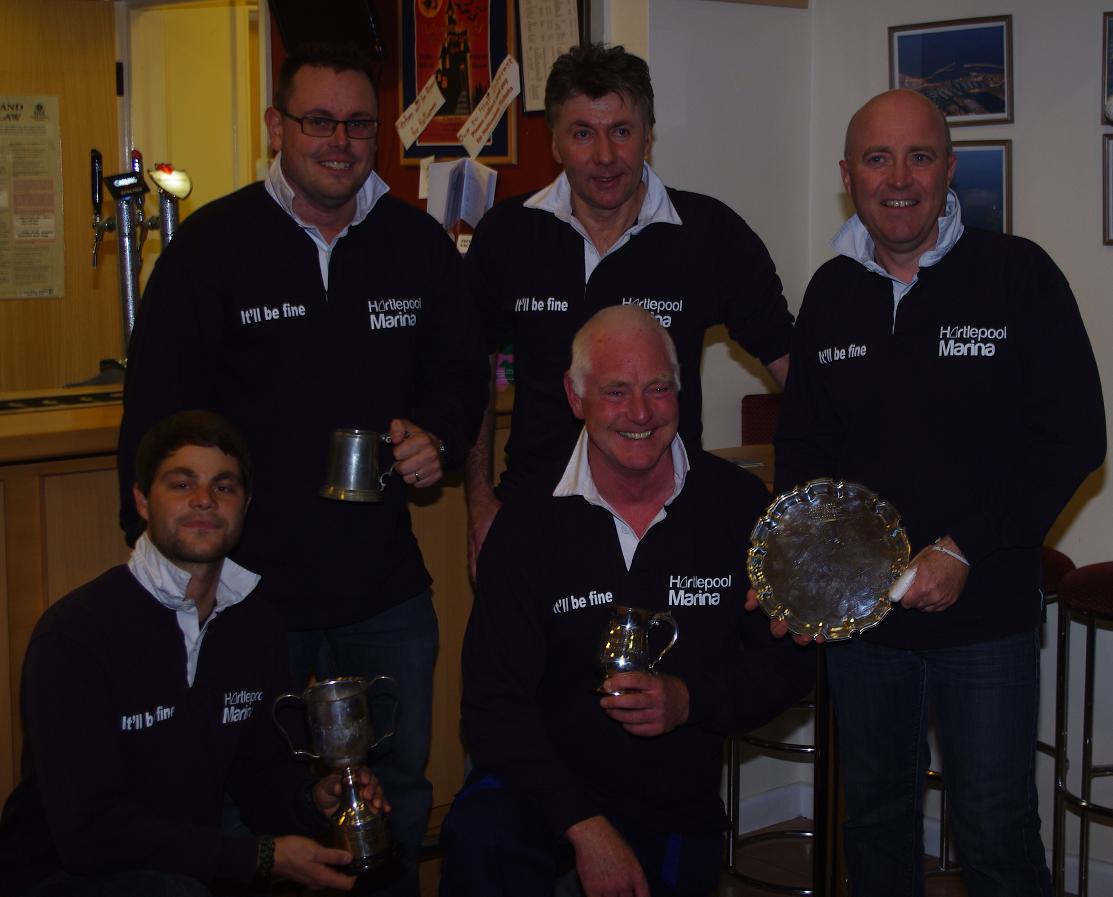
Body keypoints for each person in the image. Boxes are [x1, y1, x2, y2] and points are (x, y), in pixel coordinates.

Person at [115, 43, 489, 897]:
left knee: (395, 792)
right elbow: (154, 419)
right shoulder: (212, 247)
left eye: (357, 124)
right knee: (250, 800)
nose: (339, 141)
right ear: (275, 126)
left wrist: (435, 436)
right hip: (247, 595)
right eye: (319, 121)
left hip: (384, 588)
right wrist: (163, 573)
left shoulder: (415, 245)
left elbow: (461, 375)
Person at [769, 89, 1106, 897]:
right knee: (874, 820)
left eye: (918, 157)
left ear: (949, 169)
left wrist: (962, 547)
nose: (898, 179)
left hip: (984, 613)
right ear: (847, 175)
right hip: (864, 624)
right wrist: (801, 569)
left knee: (993, 828)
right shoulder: (830, 291)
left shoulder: (1016, 275)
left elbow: (1074, 437)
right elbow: (804, 446)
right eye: (877, 159)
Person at [441, 306, 814, 897]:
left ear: (679, 392)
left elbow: (788, 666)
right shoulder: (528, 522)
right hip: (541, 784)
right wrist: (586, 829)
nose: (640, 414)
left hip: (674, 795)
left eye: (658, 389)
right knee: (478, 836)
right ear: (576, 397)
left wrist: (691, 700)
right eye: (616, 392)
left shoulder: (739, 507)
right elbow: (490, 706)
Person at [0, 410, 390, 896]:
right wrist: (259, 858)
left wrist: (316, 800)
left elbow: (260, 776)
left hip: (186, 865)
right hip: (61, 876)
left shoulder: (256, 625)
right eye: (182, 484)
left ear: (245, 506)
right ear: (142, 501)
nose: (205, 499)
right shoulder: (74, 635)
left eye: (224, 486)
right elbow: (90, 836)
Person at [463, 43, 795, 573]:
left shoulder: (709, 235)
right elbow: (467, 371)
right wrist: (480, 504)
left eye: (621, 131)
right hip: (536, 517)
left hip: (671, 521)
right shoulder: (508, 235)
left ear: (648, 135)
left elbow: (793, 367)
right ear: (554, 142)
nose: (604, 156)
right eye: (582, 133)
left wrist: (807, 494)